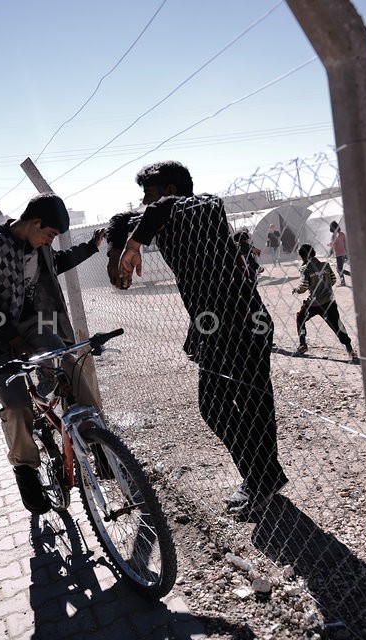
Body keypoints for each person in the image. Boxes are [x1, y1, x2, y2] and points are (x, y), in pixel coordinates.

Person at [109, 161, 288, 519]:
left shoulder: (204, 206)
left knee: (232, 405)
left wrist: (135, 243)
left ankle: (260, 480)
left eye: (150, 191)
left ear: (172, 189)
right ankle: (264, 478)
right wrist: (119, 250)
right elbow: (119, 220)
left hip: (243, 321)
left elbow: (162, 209)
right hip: (215, 328)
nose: (144, 200)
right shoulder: (160, 219)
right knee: (238, 405)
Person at [0, 192, 105, 515]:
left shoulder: (39, 248)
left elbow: (58, 262)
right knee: (17, 407)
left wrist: (92, 247)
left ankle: (98, 441)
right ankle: (25, 471)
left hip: (29, 324)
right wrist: (16, 342)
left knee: (69, 361)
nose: (49, 242)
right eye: (49, 235)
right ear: (35, 222)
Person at [293, 244, 359, 362]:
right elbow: (333, 280)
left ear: (303, 257)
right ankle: (350, 350)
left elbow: (304, 286)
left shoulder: (305, 268)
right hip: (329, 301)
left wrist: (296, 290)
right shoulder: (325, 265)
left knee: (300, 318)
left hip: (313, 303)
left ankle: (303, 344)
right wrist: (325, 287)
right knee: (337, 325)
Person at [328, 221, 349, 286]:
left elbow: (333, 244)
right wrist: (347, 254)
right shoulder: (342, 234)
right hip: (343, 254)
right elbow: (345, 244)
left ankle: (343, 282)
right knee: (340, 269)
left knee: (339, 269)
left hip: (339, 254)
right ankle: (349, 275)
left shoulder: (334, 236)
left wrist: (329, 245)